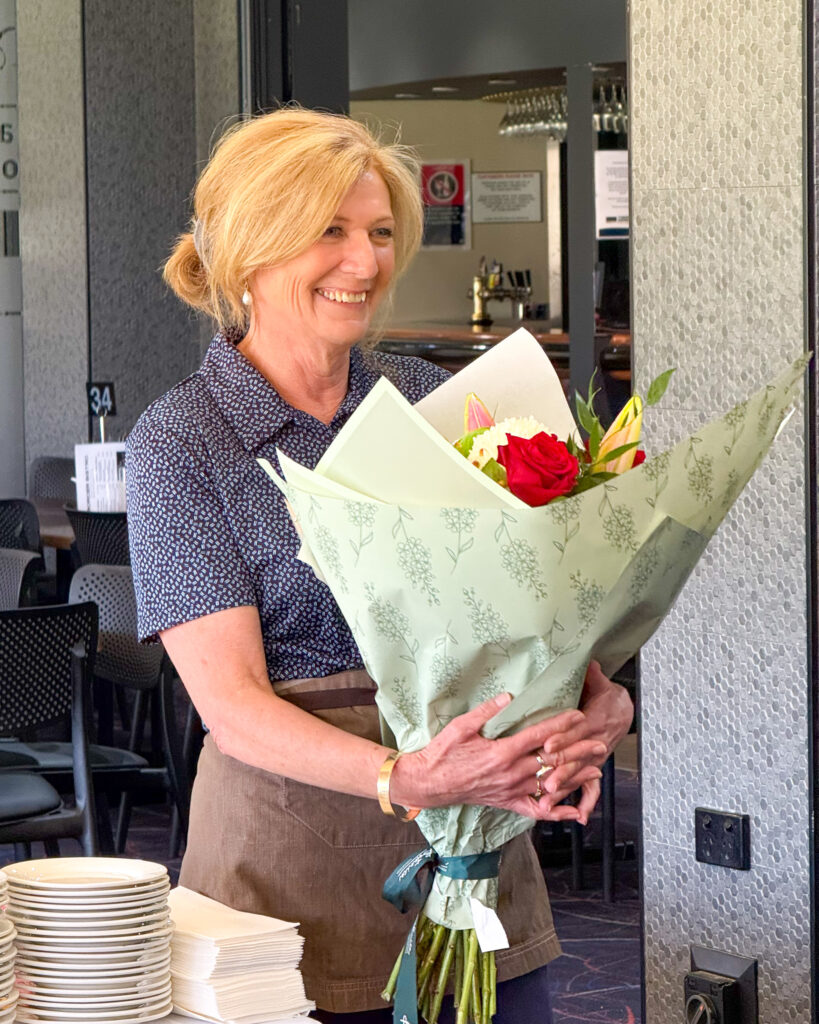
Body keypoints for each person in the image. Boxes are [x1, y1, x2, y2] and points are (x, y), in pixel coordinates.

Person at [126, 108, 633, 1023]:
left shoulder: (436, 398)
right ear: (248, 251)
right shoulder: (182, 441)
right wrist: (407, 779)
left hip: (478, 840)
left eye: (380, 232)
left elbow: (531, 609)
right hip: (288, 867)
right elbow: (232, 708)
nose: (364, 262)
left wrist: (596, 700)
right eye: (329, 231)